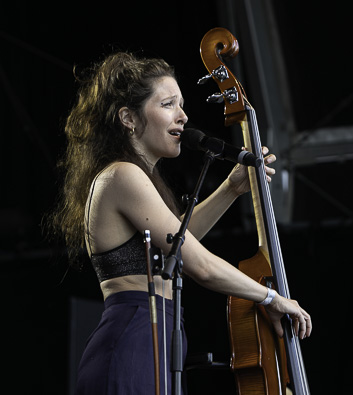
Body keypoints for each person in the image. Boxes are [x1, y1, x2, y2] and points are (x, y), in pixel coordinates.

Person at [49, 51, 311, 394]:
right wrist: (271, 297)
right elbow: (198, 263)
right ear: (128, 118)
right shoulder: (122, 175)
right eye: (169, 104)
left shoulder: (136, 177)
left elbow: (179, 245)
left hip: (151, 337)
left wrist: (231, 188)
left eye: (181, 104)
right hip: (132, 338)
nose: (184, 116)